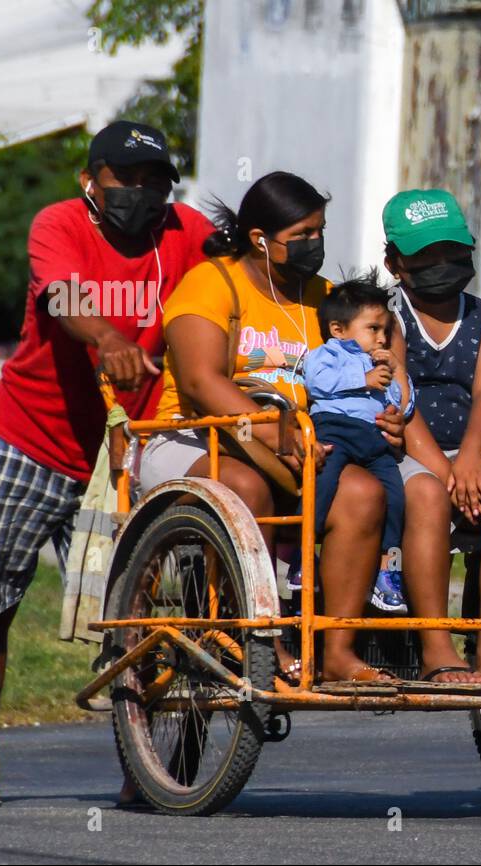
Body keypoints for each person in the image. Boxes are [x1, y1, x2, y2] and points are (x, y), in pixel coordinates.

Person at [0, 120, 215, 808]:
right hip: (28, 440)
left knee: (141, 611)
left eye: (155, 180)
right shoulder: (59, 224)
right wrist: (106, 337)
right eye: (125, 179)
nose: (141, 193)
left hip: (130, 451)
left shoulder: (185, 234)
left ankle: (147, 762)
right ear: (91, 182)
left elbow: (226, 287)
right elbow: (62, 295)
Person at [140, 171, 406, 685]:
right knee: (246, 487)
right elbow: (200, 382)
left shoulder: (326, 299)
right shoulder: (211, 282)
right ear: (260, 239)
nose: (316, 244)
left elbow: (381, 356)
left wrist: (389, 410)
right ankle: (261, 639)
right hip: (193, 436)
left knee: (364, 495)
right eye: (302, 235)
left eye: (320, 231)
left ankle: (338, 648)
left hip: (300, 443)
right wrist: (276, 435)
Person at [381, 189, 481, 685]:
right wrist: (450, 474)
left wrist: (471, 459)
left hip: (467, 450)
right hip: (401, 451)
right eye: (426, 256)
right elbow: (400, 403)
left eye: (452, 252)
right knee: (427, 494)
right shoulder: (386, 318)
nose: (442, 265)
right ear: (395, 262)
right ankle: (435, 647)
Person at [293, 269, 414, 613]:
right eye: (373, 329)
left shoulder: (382, 362)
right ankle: (304, 558)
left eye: (386, 331)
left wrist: (397, 373)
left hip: (373, 438)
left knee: (395, 496)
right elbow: (316, 383)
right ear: (338, 329)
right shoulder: (328, 353)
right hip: (334, 428)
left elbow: (404, 403)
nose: (381, 338)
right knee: (324, 483)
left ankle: (387, 569)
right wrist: (362, 378)